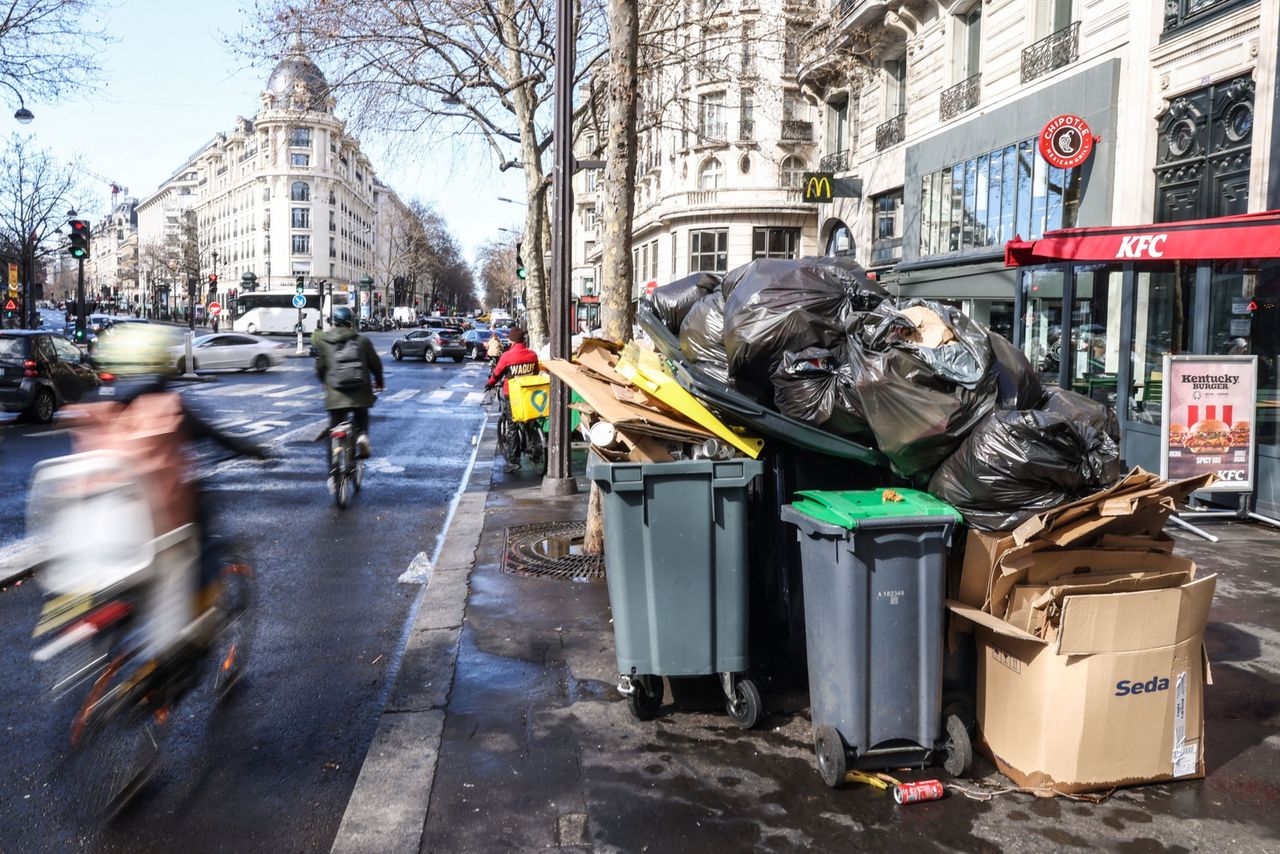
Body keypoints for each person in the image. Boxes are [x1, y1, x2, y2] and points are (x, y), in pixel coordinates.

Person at [314, 306, 384, 486]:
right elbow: (375, 365)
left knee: (333, 432)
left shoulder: (324, 341)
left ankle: (333, 474)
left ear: (334, 322)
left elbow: (320, 367)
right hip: (360, 394)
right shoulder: (362, 340)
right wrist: (379, 381)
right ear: (351, 322)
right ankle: (361, 436)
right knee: (361, 415)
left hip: (335, 396)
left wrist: (324, 381)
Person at [485, 327, 539, 396]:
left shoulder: (506, 356)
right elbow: (536, 371)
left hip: (511, 393)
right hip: (527, 392)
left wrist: (490, 384)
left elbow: (497, 374)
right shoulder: (533, 355)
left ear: (511, 341)